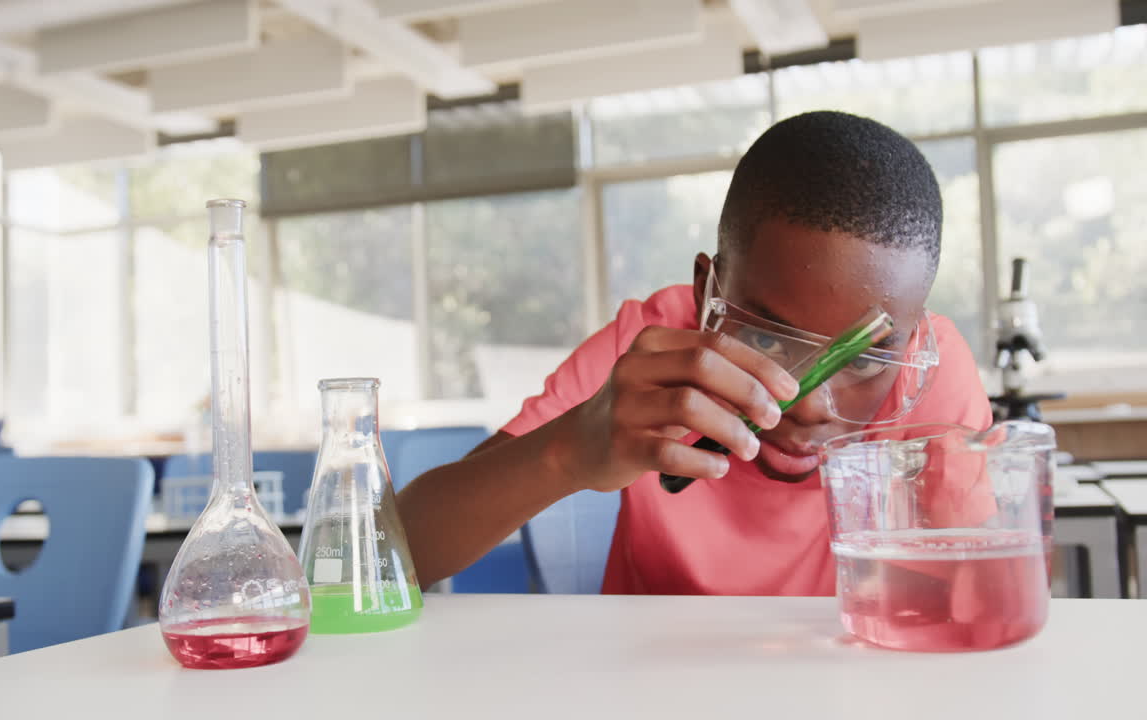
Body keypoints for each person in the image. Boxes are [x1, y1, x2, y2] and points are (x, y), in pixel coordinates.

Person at [396, 110, 990, 595]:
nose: (807, 407)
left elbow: (982, 604)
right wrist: (567, 451)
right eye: (766, 339)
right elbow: (391, 555)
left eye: (862, 359)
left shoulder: (932, 378)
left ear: (913, 341)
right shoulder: (648, 349)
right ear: (709, 289)